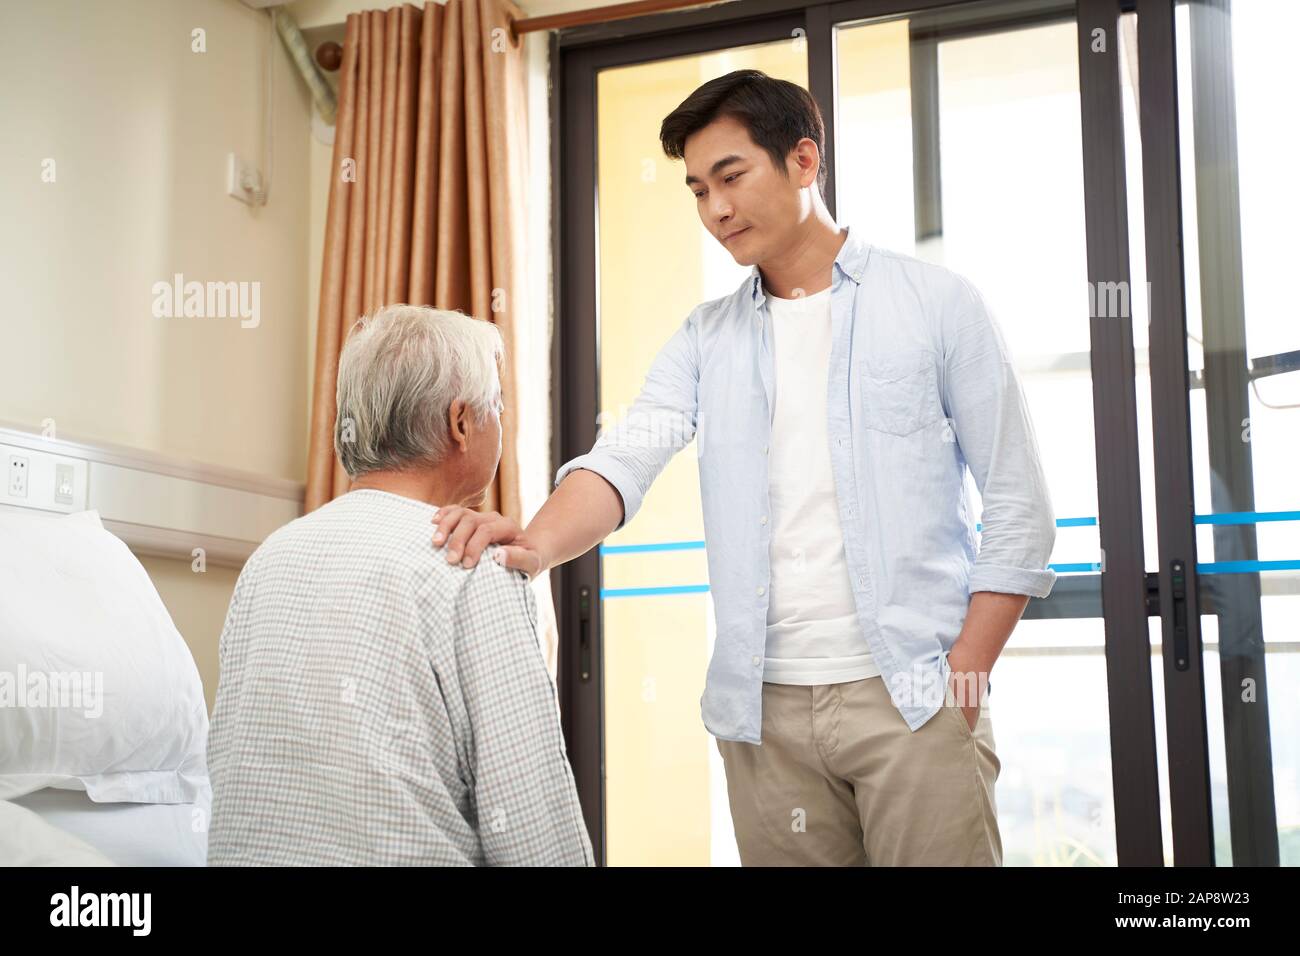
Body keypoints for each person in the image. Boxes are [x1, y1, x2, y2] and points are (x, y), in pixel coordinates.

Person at [433, 70, 1057, 866]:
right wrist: (529, 545)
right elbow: (627, 454)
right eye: (697, 190)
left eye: (731, 176)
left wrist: (961, 687)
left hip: (913, 700)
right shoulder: (706, 337)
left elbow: (1019, 507)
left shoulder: (936, 304)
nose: (715, 210)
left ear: (804, 161)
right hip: (760, 719)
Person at [207, 304, 592, 866]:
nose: (501, 423)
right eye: (498, 409)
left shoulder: (268, 562)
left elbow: (229, 767)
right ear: (461, 423)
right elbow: (535, 828)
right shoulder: (472, 566)